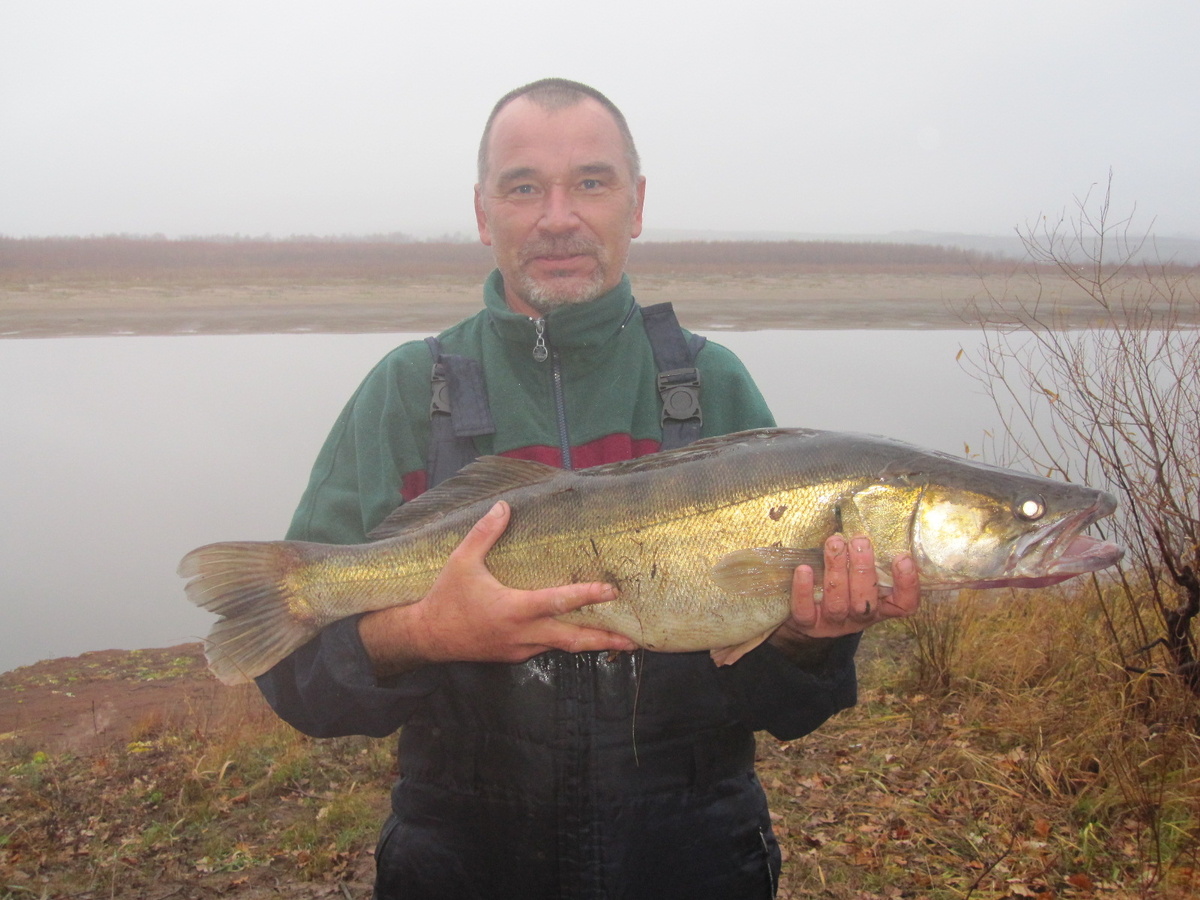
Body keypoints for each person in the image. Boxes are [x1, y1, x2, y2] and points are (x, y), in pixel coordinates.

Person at [258, 78, 921, 899]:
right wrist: (426, 631)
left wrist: (809, 640)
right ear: (482, 212)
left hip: (692, 860)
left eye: (592, 183)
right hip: (462, 865)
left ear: (636, 206)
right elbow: (298, 686)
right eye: (524, 186)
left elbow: (785, 708)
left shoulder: (712, 388)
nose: (558, 216)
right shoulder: (404, 393)